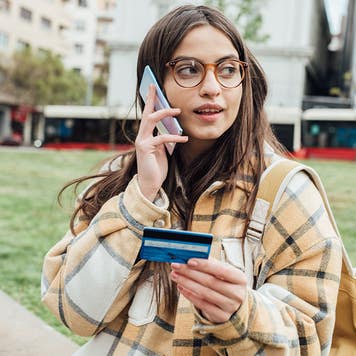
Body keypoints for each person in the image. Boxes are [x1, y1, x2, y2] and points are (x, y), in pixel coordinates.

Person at [41, 5, 342, 355]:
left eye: (228, 69)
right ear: (151, 87)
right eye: (188, 70)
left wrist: (239, 314)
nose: (212, 87)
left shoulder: (288, 192)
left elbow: (312, 341)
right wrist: (141, 198)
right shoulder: (120, 179)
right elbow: (74, 313)